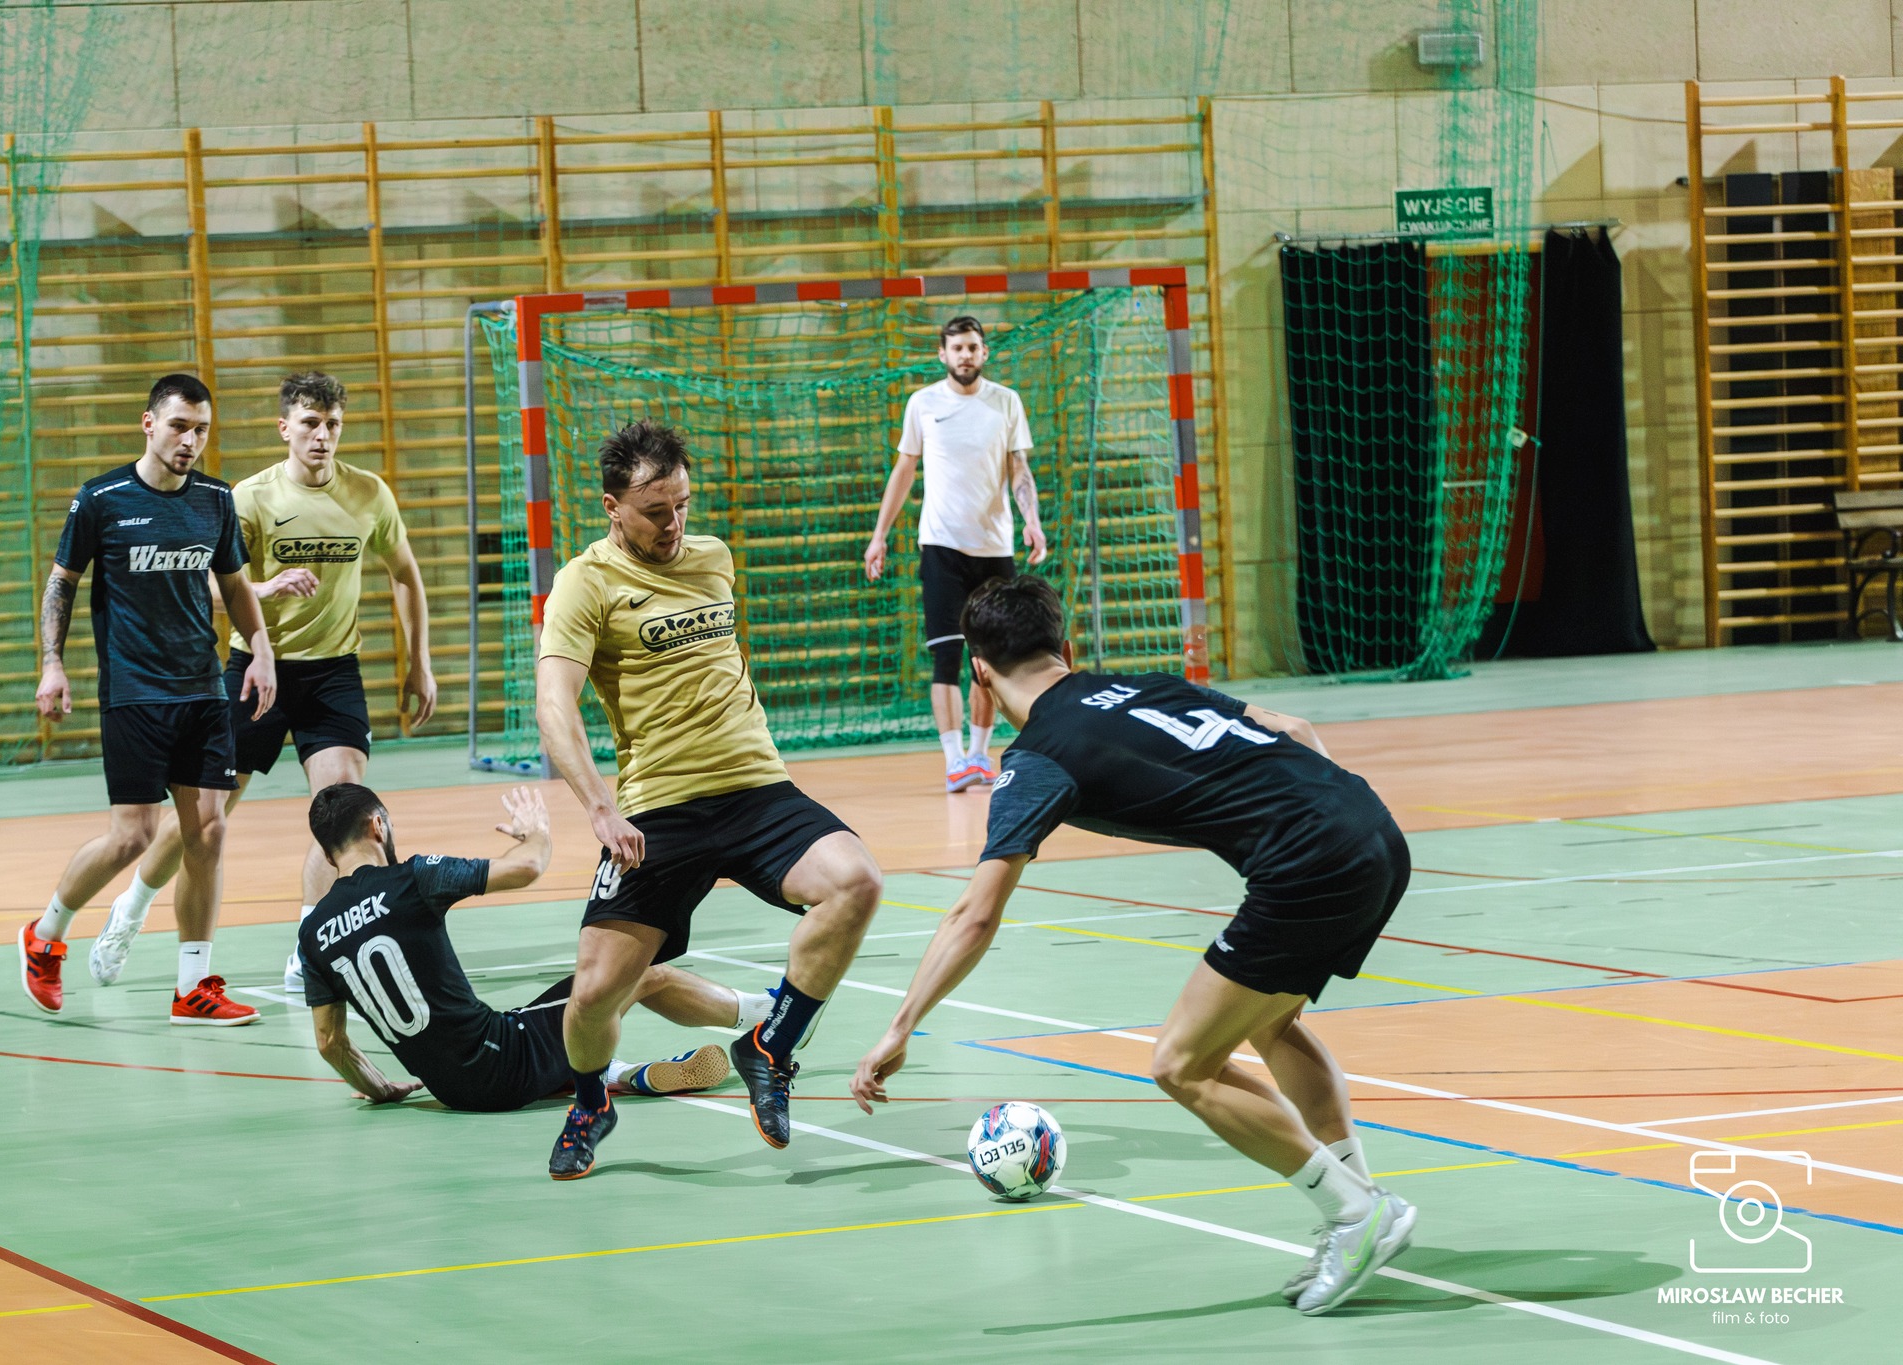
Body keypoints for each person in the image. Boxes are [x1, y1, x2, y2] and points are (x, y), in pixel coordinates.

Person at [850, 575, 1418, 1316]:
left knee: (1181, 1064)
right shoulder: (1139, 686)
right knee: (1272, 1024)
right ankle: (1360, 1204)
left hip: (1307, 863)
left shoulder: (1037, 757)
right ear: (1066, 647)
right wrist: (1322, 817)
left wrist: (900, 1027)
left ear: (978, 675)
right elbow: (1295, 727)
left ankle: (1355, 1213)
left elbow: (975, 917)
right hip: (1372, 825)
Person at [536, 419, 884, 1179]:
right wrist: (599, 805)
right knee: (593, 995)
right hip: (659, 807)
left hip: (756, 786)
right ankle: (590, 1102)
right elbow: (554, 706)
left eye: (683, 505)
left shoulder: (714, 558)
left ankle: (769, 1047)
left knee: (857, 881)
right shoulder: (584, 584)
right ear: (612, 507)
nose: (673, 523)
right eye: (655, 511)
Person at [95, 372, 437, 994]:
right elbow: (201, 584)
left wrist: (420, 661)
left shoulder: (369, 494)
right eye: (310, 423)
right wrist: (266, 587)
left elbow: (406, 573)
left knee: (343, 810)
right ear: (285, 428)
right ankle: (132, 907)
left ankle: (309, 946)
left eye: (333, 424)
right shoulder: (250, 499)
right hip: (256, 670)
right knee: (203, 819)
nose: (322, 435)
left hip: (333, 672)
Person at [23, 373, 277, 1025]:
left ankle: (193, 985)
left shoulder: (215, 500)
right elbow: (61, 583)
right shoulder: (101, 499)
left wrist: (261, 647)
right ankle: (46, 934)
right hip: (135, 692)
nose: (190, 440)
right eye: (179, 426)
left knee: (208, 830)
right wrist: (52, 663)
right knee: (132, 836)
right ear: (149, 424)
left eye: (201, 430)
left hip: (202, 688)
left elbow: (235, 583)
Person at [301, 783, 752, 1119]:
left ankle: (621, 1074)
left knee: (557, 1026)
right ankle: (769, 1021)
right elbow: (527, 867)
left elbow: (330, 1042)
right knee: (634, 973)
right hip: (504, 1059)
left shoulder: (313, 932)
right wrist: (534, 832)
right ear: (377, 825)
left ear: (327, 852)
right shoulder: (410, 879)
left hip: (455, 1092)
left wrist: (381, 1089)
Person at [863, 315, 1048, 792]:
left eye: (972, 347)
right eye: (957, 348)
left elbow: (1018, 467)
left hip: (994, 548)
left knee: (988, 658)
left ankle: (980, 755)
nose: (965, 355)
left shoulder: (1006, 401)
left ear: (984, 352)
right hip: (941, 546)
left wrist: (1032, 521)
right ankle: (953, 762)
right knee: (946, 656)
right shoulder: (923, 403)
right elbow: (905, 470)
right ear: (942, 354)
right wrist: (880, 535)